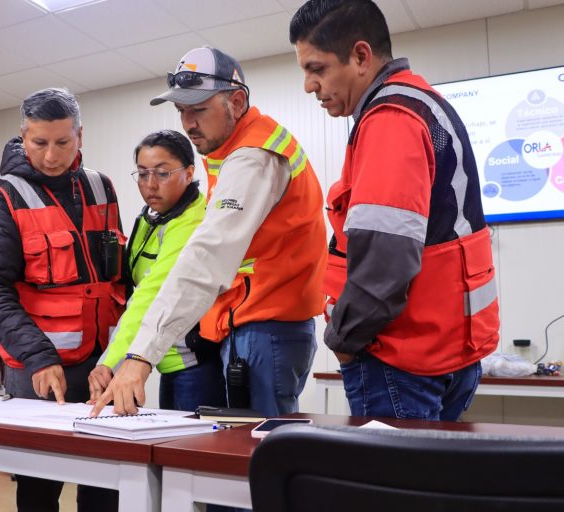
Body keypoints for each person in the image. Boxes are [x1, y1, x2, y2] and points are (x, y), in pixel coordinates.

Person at [289, 0, 500, 420]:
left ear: (360, 56)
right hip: (445, 350)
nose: (309, 86)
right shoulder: (421, 101)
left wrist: (342, 341)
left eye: (317, 69)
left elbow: (385, 259)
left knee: (388, 466)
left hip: (400, 357)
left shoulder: (390, 119)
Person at [92, 46, 327, 418]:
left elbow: (205, 261)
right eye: (181, 111)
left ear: (236, 101)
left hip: (266, 325)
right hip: (255, 322)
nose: (187, 124)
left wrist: (140, 356)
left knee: (257, 445)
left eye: (198, 110)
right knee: (245, 442)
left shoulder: (252, 156)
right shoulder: (233, 151)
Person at [0, 88, 125, 512]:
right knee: (40, 483)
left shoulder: (102, 187)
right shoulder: (1, 198)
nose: (52, 156)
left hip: (102, 363)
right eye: (39, 143)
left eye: (63, 142)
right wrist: (38, 355)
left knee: (105, 480)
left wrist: (122, 353)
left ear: (80, 136)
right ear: (23, 137)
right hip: (38, 365)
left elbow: (118, 276)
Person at [88, 130, 226, 412]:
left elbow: (150, 295)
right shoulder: (151, 216)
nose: (150, 185)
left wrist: (110, 361)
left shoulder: (193, 221)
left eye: (162, 174)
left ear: (189, 172)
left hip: (196, 364)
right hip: (166, 360)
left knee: (189, 441)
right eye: (142, 173)